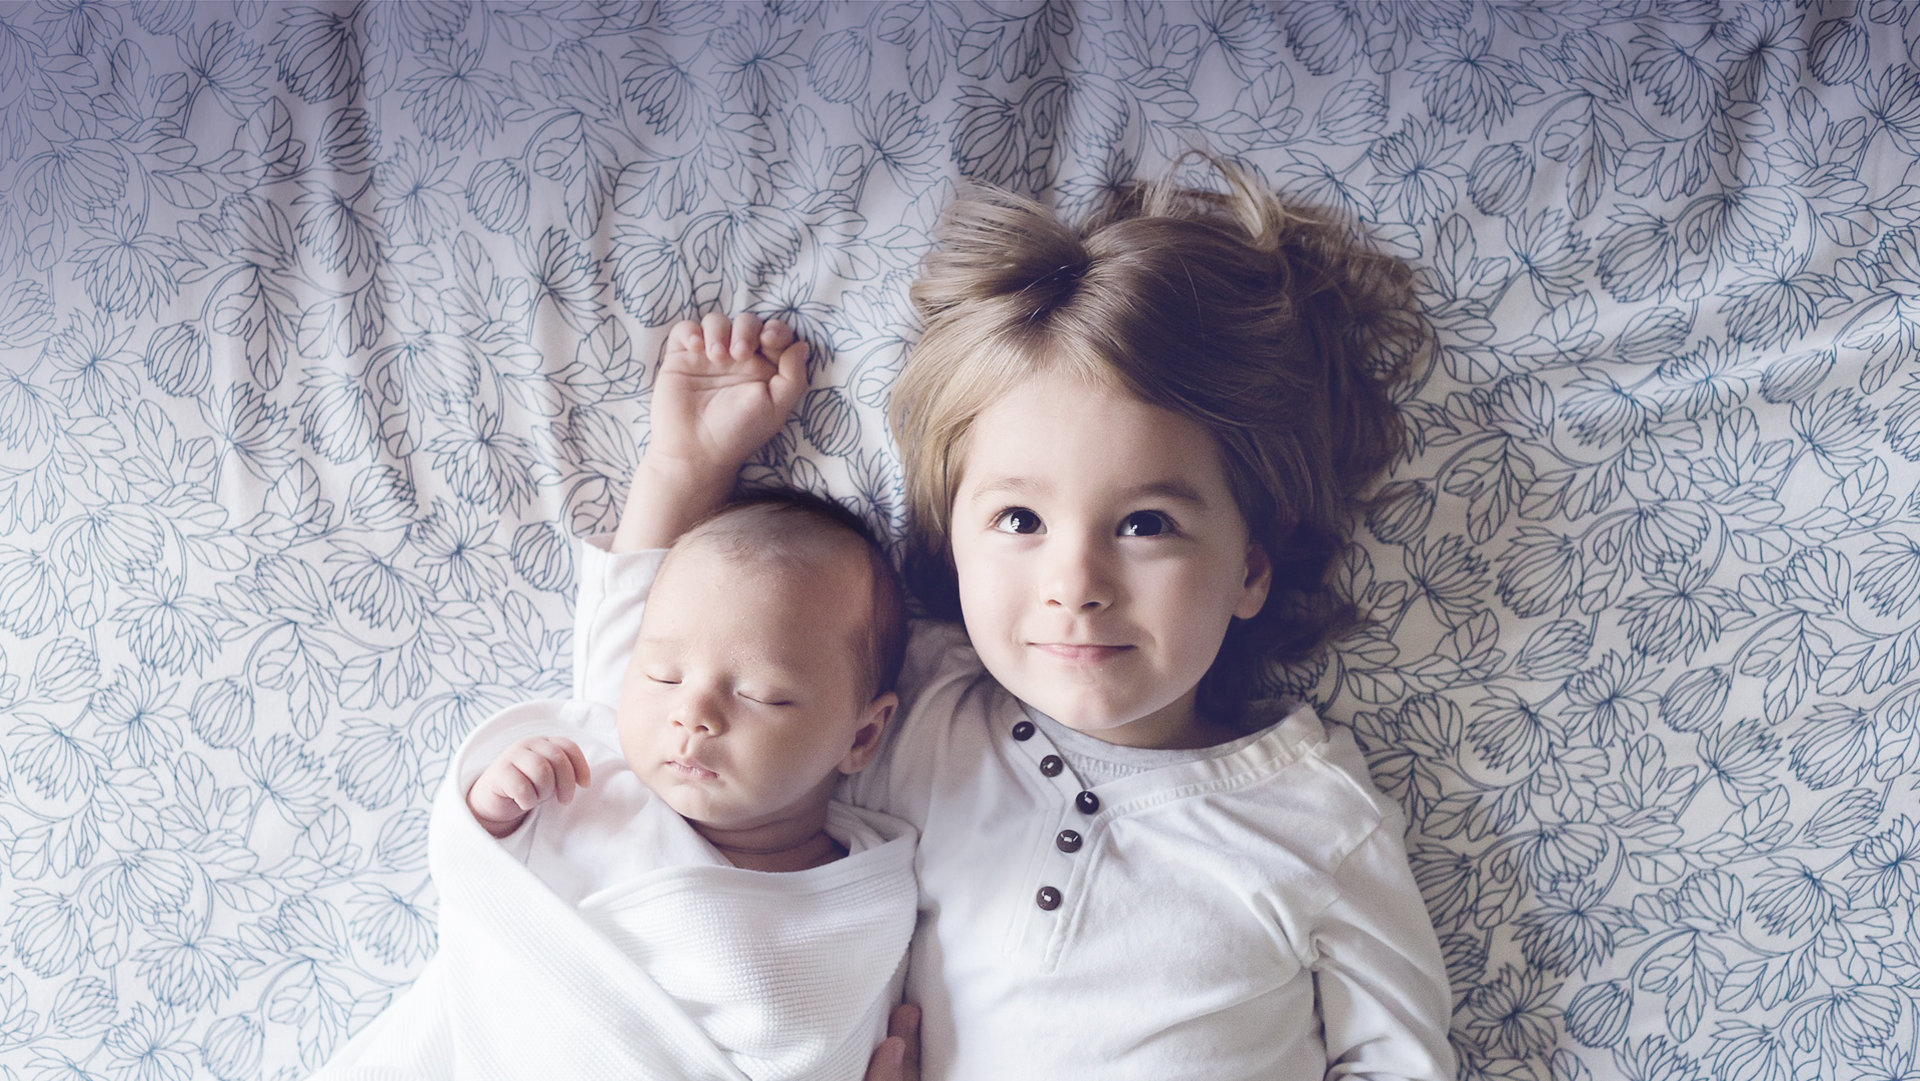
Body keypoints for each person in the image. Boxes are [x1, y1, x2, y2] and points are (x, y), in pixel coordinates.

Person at [581, 155, 1454, 1080]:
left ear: (1249, 569)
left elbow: (1402, 1059)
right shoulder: (910, 717)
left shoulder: (1314, 816)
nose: (1075, 584)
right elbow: (649, 719)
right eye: (1020, 520)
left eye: (1146, 524)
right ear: (952, 542)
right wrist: (683, 470)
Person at [314, 463, 920, 1072]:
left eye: (761, 695)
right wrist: (494, 812)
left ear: (862, 735)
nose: (692, 714)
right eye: (663, 676)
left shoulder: (864, 903)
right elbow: (485, 889)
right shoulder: (589, 779)